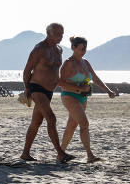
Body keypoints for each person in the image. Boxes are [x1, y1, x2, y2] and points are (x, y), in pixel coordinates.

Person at [19, 23, 74, 163]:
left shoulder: (59, 50)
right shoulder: (39, 49)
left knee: (36, 122)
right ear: (48, 33)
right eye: (57, 33)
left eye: (62, 33)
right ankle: (60, 153)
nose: (60, 36)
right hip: (36, 88)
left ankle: (25, 153)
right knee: (51, 118)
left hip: (49, 91)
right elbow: (27, 71)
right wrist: (27, 89)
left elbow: (55, 71)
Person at [59, 36, 116, 163]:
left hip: (82, 98)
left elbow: (95, 79)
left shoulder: (85, 62)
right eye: (81, 49)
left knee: (71, 126)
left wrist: (108, 91)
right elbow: (60, 82)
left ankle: (60, 154)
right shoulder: (68, 63)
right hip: (69, 96)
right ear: (73, 48)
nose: (83, 51)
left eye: (85, 49)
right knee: (84, 123)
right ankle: (90, 156)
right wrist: (79, 89)